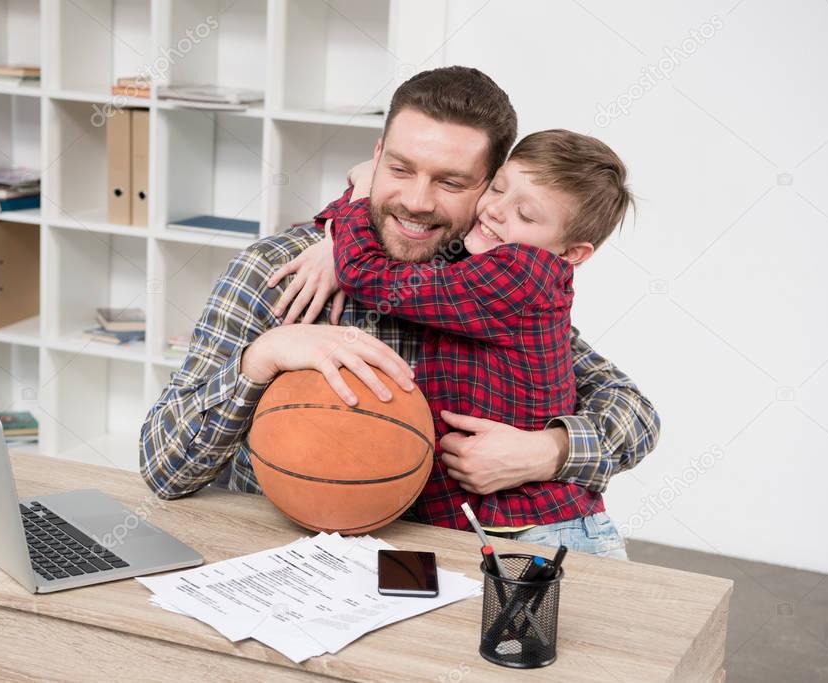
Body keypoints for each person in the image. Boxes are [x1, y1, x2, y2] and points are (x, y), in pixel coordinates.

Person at [139, 66, 660, 559]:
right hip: (288, 559)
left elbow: (634, 412)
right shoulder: (278, 270)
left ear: (486, 187)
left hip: (450, 560)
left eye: (451, 183)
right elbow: (164, 468)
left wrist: (550, 450)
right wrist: (263, 356)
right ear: (376, 157)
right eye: (400, 169)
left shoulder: (481, 281)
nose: (416, 200)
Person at [304, 128, 633, 540]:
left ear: (571, 253)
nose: (496, 211)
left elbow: (369, 276)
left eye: (526, 215)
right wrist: (329, 236)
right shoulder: (469, 255)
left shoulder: (519, 274)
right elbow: (401, 233)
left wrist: (356, 198)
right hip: (484, 528)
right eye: (497, 188)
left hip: (543, 529)